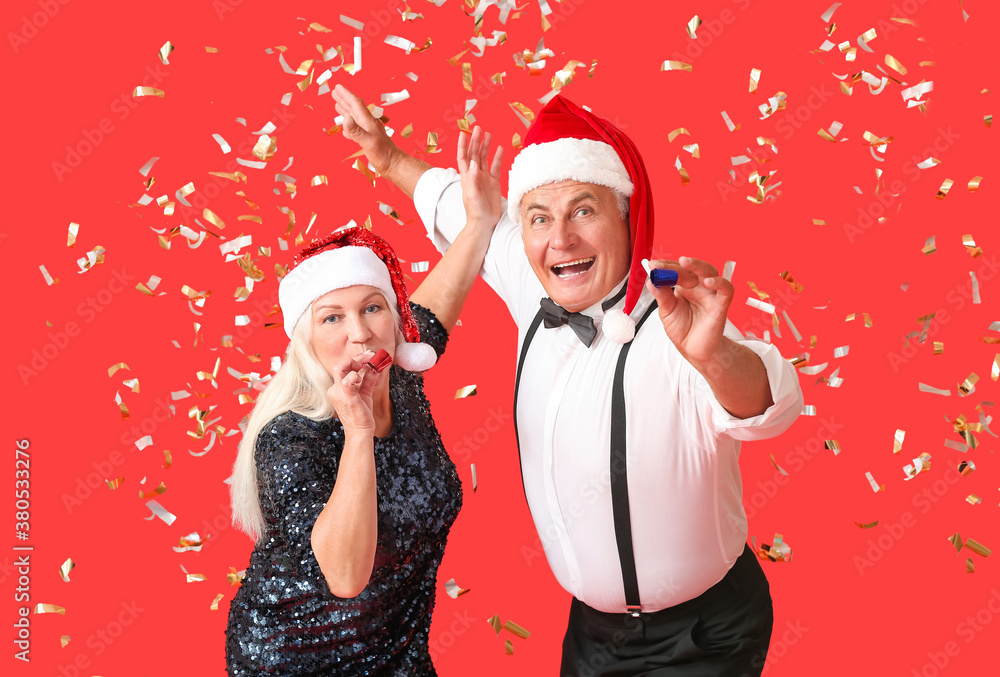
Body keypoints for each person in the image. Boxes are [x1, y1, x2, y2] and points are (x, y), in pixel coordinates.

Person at [333, 83, 804, 676]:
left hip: (702, 635)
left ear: (628, 218)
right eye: (539, 218)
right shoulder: (536, 286)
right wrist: (385, 155)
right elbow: (461, 205)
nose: (561, 238)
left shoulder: (677, 328)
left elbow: (774, 404)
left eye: (584, 209)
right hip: (592, 633)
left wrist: (713, 357)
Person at [225, 127, 504, 676]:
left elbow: (439, 299)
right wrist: (356, 432)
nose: (361, 333)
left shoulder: (399, 370)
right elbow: (346, 575)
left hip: (397, 656)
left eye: (373, 308)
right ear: (306, 338)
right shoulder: (289, 437)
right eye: (332, 317)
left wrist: (479, 224)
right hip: (293, 662)